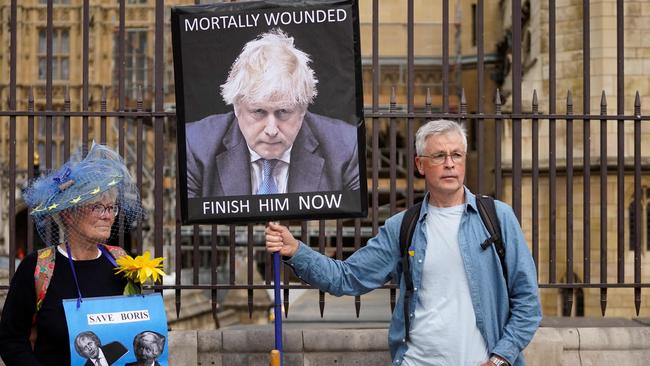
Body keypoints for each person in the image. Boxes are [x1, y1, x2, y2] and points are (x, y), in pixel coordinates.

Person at [266, 120, 542, 366]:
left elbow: (528, 303)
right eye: (439, 156)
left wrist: (499, 359)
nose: (449, 163)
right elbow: (347, 277)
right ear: (420, 164)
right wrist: (296, 250)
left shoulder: (497, 218)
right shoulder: (403, 227)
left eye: (456, 155)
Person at [0, 144, 144, 366]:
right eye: (98, 207)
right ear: (69, 214)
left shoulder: (122, 262)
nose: (108, 216)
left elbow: (138, 327)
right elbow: (11, 341)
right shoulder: (38, 267)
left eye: (112, 207)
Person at [185, 28, 360, 198]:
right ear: (237, 108)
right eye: (259, 111)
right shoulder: (196, 145)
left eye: (283, 112)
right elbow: (188, 225)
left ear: (303, 110)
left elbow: (353, 224)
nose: (271, 130)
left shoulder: (345, 147)